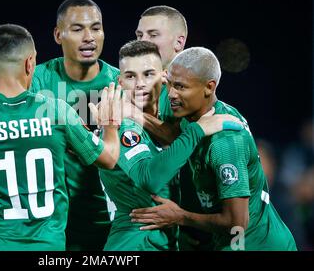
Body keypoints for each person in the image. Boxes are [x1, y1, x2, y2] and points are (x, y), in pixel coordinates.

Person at [0, 24, 122, 251]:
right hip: (46, 247)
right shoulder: (56, 111)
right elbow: (109, 158)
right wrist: (110, 126)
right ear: (30, 62)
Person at [130, 47, 297, 251]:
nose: (171, 94)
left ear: (209, 87)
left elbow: (237, 223)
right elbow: (179, 137)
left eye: (181, 87)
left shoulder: (225, 144)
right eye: (170, 84)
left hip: (257, 245)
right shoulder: (200, 116)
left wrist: (180, 216)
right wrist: (133, 114)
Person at [98, 40, 242, 250]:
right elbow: (150, 179)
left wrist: (190, 226)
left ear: (165, 77)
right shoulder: (121, 124)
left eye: (148, 74)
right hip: (135, 242)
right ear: (120, 81)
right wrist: (198, 130)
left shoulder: (172, 118)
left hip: (167, 240)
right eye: (130, 76)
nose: (139, 83)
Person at [30, 0, 119, 250]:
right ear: (58, 35)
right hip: (51, 223)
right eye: (78, 29)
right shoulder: (37, 80)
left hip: (109, 221)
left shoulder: (120, 82)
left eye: (96, 28)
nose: (89, 37)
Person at [133, 5, 215, 250]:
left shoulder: (190, 89)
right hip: (162, 223)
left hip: (209, 224)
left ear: (179, 42)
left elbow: (186, 141)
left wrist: (135, 116)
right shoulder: (134, 82)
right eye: (139, 35)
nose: (142, 42)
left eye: (152, 35)